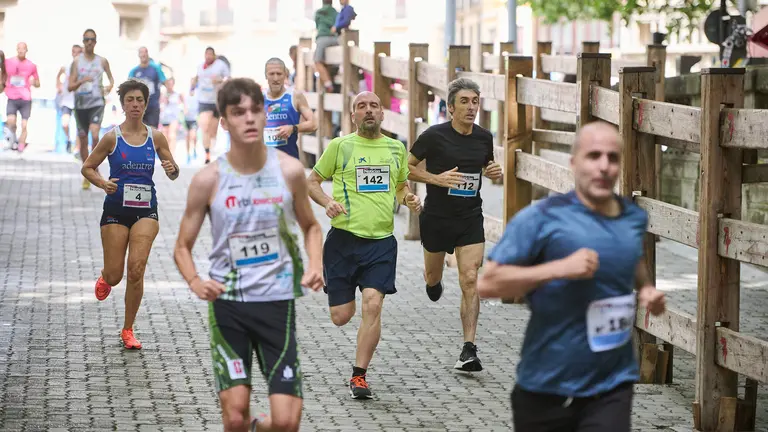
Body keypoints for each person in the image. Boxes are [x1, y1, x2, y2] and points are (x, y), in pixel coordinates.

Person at [477, 121, 668, 432]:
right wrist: (559, 268)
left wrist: (646, 289)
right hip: (547, 385)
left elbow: (632, 258)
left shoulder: (632, 217)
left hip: (612, 383)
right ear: (573, 162)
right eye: (594, 156)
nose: (604, 166)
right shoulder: (542, 218)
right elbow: (488, 283)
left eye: (613, 158)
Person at [173, 77, 323, 432]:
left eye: (256, 110)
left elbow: (312, 227)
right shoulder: (208, 179)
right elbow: (182, 245)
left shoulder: (288, 171)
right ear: (224, 121)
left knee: (286, 423)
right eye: (238, 113)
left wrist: (315, 264)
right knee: (235, 415)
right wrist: (195, 281)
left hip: (277, 303)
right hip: (229, 305)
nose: (250, 119)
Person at [307, 91, 422, 399]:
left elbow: (400, 185)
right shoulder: (340, 147)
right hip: (343, 242)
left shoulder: (395, 148)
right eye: (362, 106)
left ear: (382, 114)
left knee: (373, 303)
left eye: (374, 105)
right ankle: (345, 295)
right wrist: (327, 203)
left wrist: (407, 198)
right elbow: (312, 182)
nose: (368, 110)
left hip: (381, 243)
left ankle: (359, 376)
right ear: (353, 115)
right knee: (341, 317)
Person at [407, 78, 502, 372]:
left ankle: (468, 349)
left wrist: (493, 172)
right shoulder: (433, 137)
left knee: (470, 278)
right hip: (436, 218)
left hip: (469, 217)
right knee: (433, 277)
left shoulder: (484, 138)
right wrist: (436, 179)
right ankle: (433, 283)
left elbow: (486, 166)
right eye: (464, 102)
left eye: (475, 101)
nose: (471, 107)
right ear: (450, 107)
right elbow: (406, 167)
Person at [81, 79, 180, 350]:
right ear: (123, 104)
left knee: (136, 269)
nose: (135, 104)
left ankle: (128, 329)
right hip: (115, 210)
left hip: (146, 211)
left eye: (140, 100)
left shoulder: (156, 137)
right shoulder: (112, 137)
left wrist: (172, 169)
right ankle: (105, 278)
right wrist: (102, 183)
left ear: (146, 104)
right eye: (130, 100)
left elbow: (173, 172)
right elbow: (88, 167)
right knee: (116, 275)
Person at [69, 28, 115, 190]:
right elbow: (70, 86)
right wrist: (82, 81)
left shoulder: (102, 61)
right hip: (81, 105)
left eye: (92, 39)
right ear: (83, 42)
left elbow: (111, 79)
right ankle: (86, 171)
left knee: (95, 135)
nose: (89, 42)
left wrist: (109, 87)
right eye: (87, 39)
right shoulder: (76, 62)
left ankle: (94, 166)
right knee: (82, 138)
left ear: (96, 42)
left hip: (96, 103)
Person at [263, 58, 317, 160]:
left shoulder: (295, 96)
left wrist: (293, 129)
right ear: (266, 75)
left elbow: (314, 124)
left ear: (285, 75)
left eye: (279, 74)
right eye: (271, 74)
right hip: (264, 162)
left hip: (289, 160)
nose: (275, 78)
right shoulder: (258, 98)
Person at [191, 47, 230, 164]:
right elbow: (195, 79)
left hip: (217, 100)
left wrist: (220, 81)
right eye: (206, 54)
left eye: (210, 54)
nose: (208, 57)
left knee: (213, 130)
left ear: (214, 55)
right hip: (203, 100)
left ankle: (211, 151)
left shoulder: (221, 65)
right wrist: (192, 85)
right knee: (204, 126)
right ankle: (207, 155)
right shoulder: (200, 67)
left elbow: (229, 78)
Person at [5, 42, 40, 152]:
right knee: (11, 121)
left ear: (26, 50)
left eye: (23, 49)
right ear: (16, 49)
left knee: (24, 125)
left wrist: (34, 82)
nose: (21, 51)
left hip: (25, 98)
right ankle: (14, 138)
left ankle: (21, 145)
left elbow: (38, 83)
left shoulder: (31, 65)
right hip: (12, 96)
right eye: (19, 48)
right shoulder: (8, 62)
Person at [128, 47, 168, 128]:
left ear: (148, 54)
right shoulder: (134, 71)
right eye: (141, 52)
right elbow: (128, 89)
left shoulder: (156, 68)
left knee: (153, 132)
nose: (143, 54)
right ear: (138, 55)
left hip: (153, 106)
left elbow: (165, 82)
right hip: (138, 107)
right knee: (139, 132)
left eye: (145, 52)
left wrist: (167, 96)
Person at [56, 44, 83, 154]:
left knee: (79, 127)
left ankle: (77, 149)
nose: (76, 54)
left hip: (79, 100)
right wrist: (59, 85)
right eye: (74, 52)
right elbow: (58, 75)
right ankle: (68, 140)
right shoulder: (66, 66)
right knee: (65, 123)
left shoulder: (84, 68)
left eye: (78, 52)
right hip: (67, 100)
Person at [313, 0, 338, 93]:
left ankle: (328, 84)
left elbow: (317, 26)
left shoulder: (319, 12)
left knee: (317, 61)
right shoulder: (335, 12)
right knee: (333, 63)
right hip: (335, 39)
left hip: (322, 39)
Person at [159, 77, 182, 155]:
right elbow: (160, 105)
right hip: (164, 118)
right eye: (168, 84)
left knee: (172, 135)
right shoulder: (162, 94)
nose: (169, 85)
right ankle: (166, 153)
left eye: (171, 84)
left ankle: (172, 154)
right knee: (165, 137)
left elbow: (182, 104)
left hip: (174, 118)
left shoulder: (177, 94)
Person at [184, 89, 198, 164]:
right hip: (186, 120)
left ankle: (194, 149)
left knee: (193, 136)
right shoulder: (185, 97)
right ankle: (188, 154)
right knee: (187, 137)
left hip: (194, 119)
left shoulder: (197, 97)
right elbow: (182, 105)